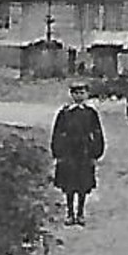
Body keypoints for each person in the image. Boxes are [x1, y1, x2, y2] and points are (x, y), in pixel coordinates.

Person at [51, 81, 105, 226]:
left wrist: (96, 153)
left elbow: (97, 133)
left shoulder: (90, 113)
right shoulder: (65, 113)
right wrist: (58, 153)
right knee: (69, 184)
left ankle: (80, 213)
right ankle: (69, 213)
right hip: (69, 152)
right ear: (71, 94)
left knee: (83, 184)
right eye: (76, 93)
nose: (79, 96)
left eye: (82, 93)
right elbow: (57, 133)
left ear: (87, 95)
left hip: (85, 152)